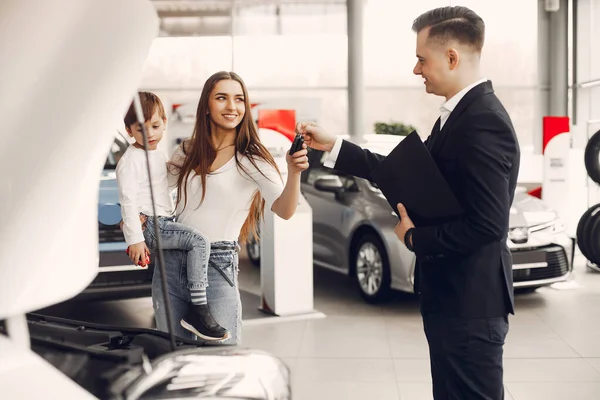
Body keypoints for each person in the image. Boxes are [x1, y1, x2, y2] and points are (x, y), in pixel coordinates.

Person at [297, 6, 520, 400]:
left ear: (451, 57)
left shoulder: (483, 121)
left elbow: (487, 226)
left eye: (422, 59)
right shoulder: (458, 115)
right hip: (454, 301)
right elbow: (406, 175)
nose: (416, 70)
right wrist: (336, 147)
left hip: (468, 306)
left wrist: (416, 238)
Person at [152, 71, 309, 345]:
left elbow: (285, 210)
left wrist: (294, 172)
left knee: (221, 359)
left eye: (239, 99)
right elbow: (156, 191)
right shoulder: (188, 151)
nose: (232, 106)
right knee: (173, 358)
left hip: (216, 266)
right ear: (206, 107)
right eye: (221, 98)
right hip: (171, 263)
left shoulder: (252, 159)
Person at [116, 91, 229, 341]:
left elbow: (164, 185)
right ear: (128, 130)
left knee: (190, 249)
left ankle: (190, 308)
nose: (150, 134)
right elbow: (128, 200)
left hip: (164, 221)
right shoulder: (130, 161)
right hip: (151, 225)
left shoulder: (157, 153)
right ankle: (198, 310)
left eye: (155, 126)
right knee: (198, 241)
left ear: (165, 122)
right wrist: (134, 239)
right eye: (140, 129)